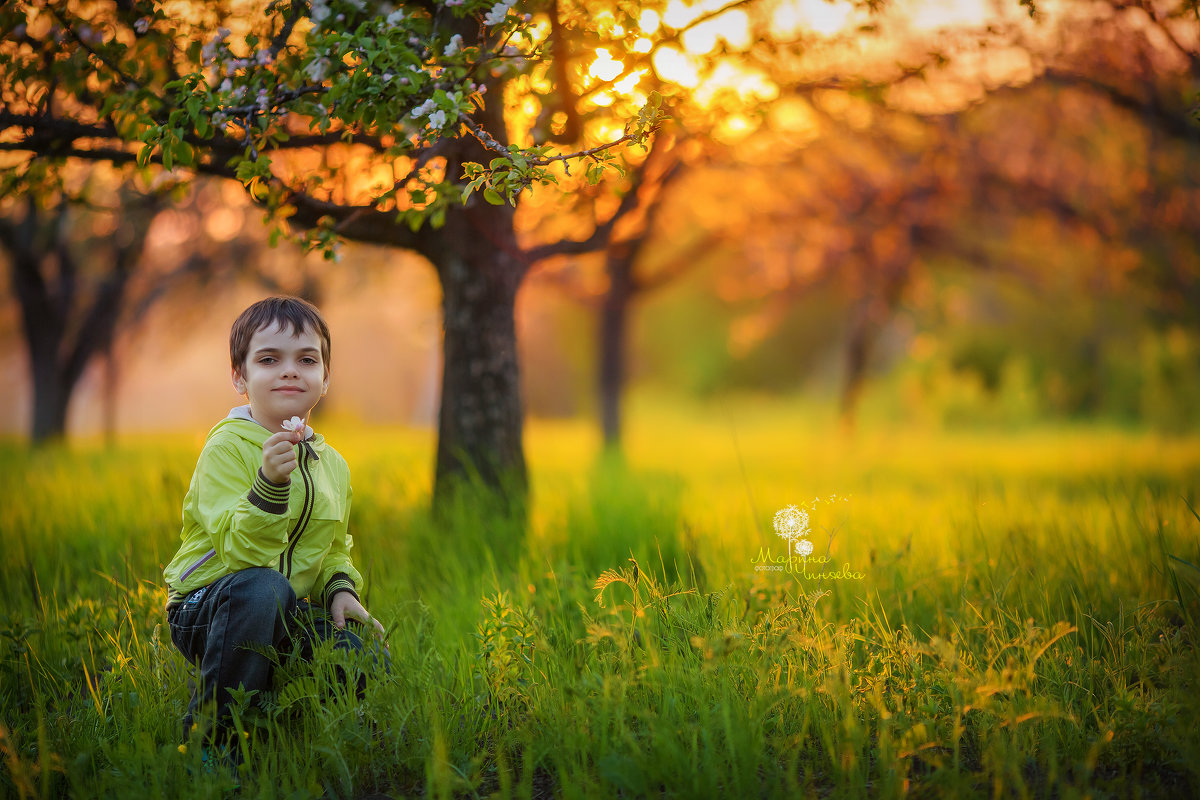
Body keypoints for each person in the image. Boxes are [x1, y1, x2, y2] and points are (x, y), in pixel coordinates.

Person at [162, 296, 385, 751]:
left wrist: (340, 588)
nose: (290, 370)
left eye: (307, 359)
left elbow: (333, 546)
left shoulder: (332, 465)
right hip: (209, 606)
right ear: (239, 377)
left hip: (285, 609)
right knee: (263, 587)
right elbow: (239, 555)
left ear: (326, 378)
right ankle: (214, 737)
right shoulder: (226, 448)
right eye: (269, 359)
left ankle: (280, 721)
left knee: (362, 658)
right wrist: (269, 483)